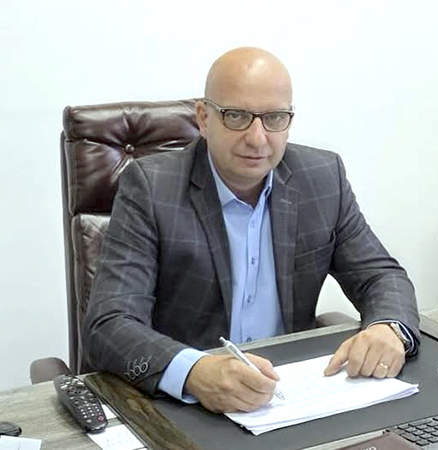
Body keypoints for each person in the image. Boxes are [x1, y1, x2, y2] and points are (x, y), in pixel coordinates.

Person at [83, 47, 420, 414]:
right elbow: (109, 325)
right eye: (236, 116)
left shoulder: (322, 178)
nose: (258, 138)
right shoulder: (151, 188)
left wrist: (388, 328)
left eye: (274, 118)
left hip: (291, 395)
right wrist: (193, 370)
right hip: (191, 404)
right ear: (204, 118)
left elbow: (381, 276)